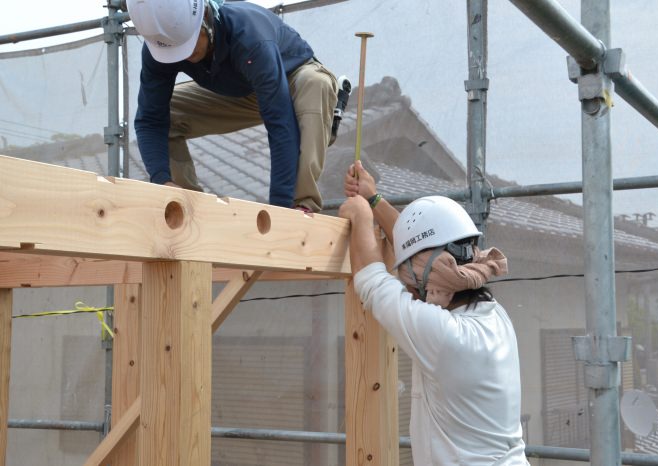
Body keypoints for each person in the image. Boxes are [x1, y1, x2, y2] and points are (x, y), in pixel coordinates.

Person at [340, 160, 529, 465]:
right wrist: (373, 199)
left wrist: (360, 216)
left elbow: (373, 281)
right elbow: (424, 255)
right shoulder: (494, 316)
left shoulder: (446, 337)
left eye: (408, 277)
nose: (409, 287)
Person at [127, 0, 338, 212]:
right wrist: (162, 181)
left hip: (291, 82)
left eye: (188, 44)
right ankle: (184, 208)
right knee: (168, 111)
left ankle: (300, 206)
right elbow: (150, 120)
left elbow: (280, 122)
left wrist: (280, 211)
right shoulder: (161, 45)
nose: (185, 56)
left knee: (315, 83)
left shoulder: (249, 37)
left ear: (206, 18)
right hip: (241, 89)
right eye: (177, 50)